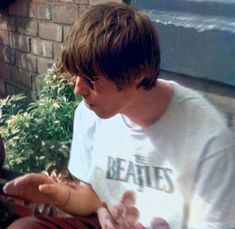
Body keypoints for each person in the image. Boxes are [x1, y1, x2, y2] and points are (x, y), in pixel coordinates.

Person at [3, 2, 235, 229]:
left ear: (137, 74)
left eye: (92, 79)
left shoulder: (209, 137)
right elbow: (93, 196)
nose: (78, 89)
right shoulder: (89, 113)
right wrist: (57, 194)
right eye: (76, 75)